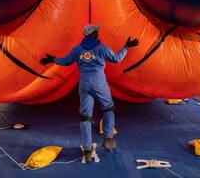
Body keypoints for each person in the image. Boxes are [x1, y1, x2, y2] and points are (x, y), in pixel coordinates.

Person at [40, 24, 139, 162]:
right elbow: (116, 59)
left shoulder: (77, 49)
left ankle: (87, 150)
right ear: (92, 34)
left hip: (85, 85)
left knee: (85, 117)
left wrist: (52, 59)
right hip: (99, 84)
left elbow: (66, 61)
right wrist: (126, 47)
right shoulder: (101, 48)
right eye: (96, 31)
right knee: (108, 108)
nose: (98, 33)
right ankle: (109, 138)